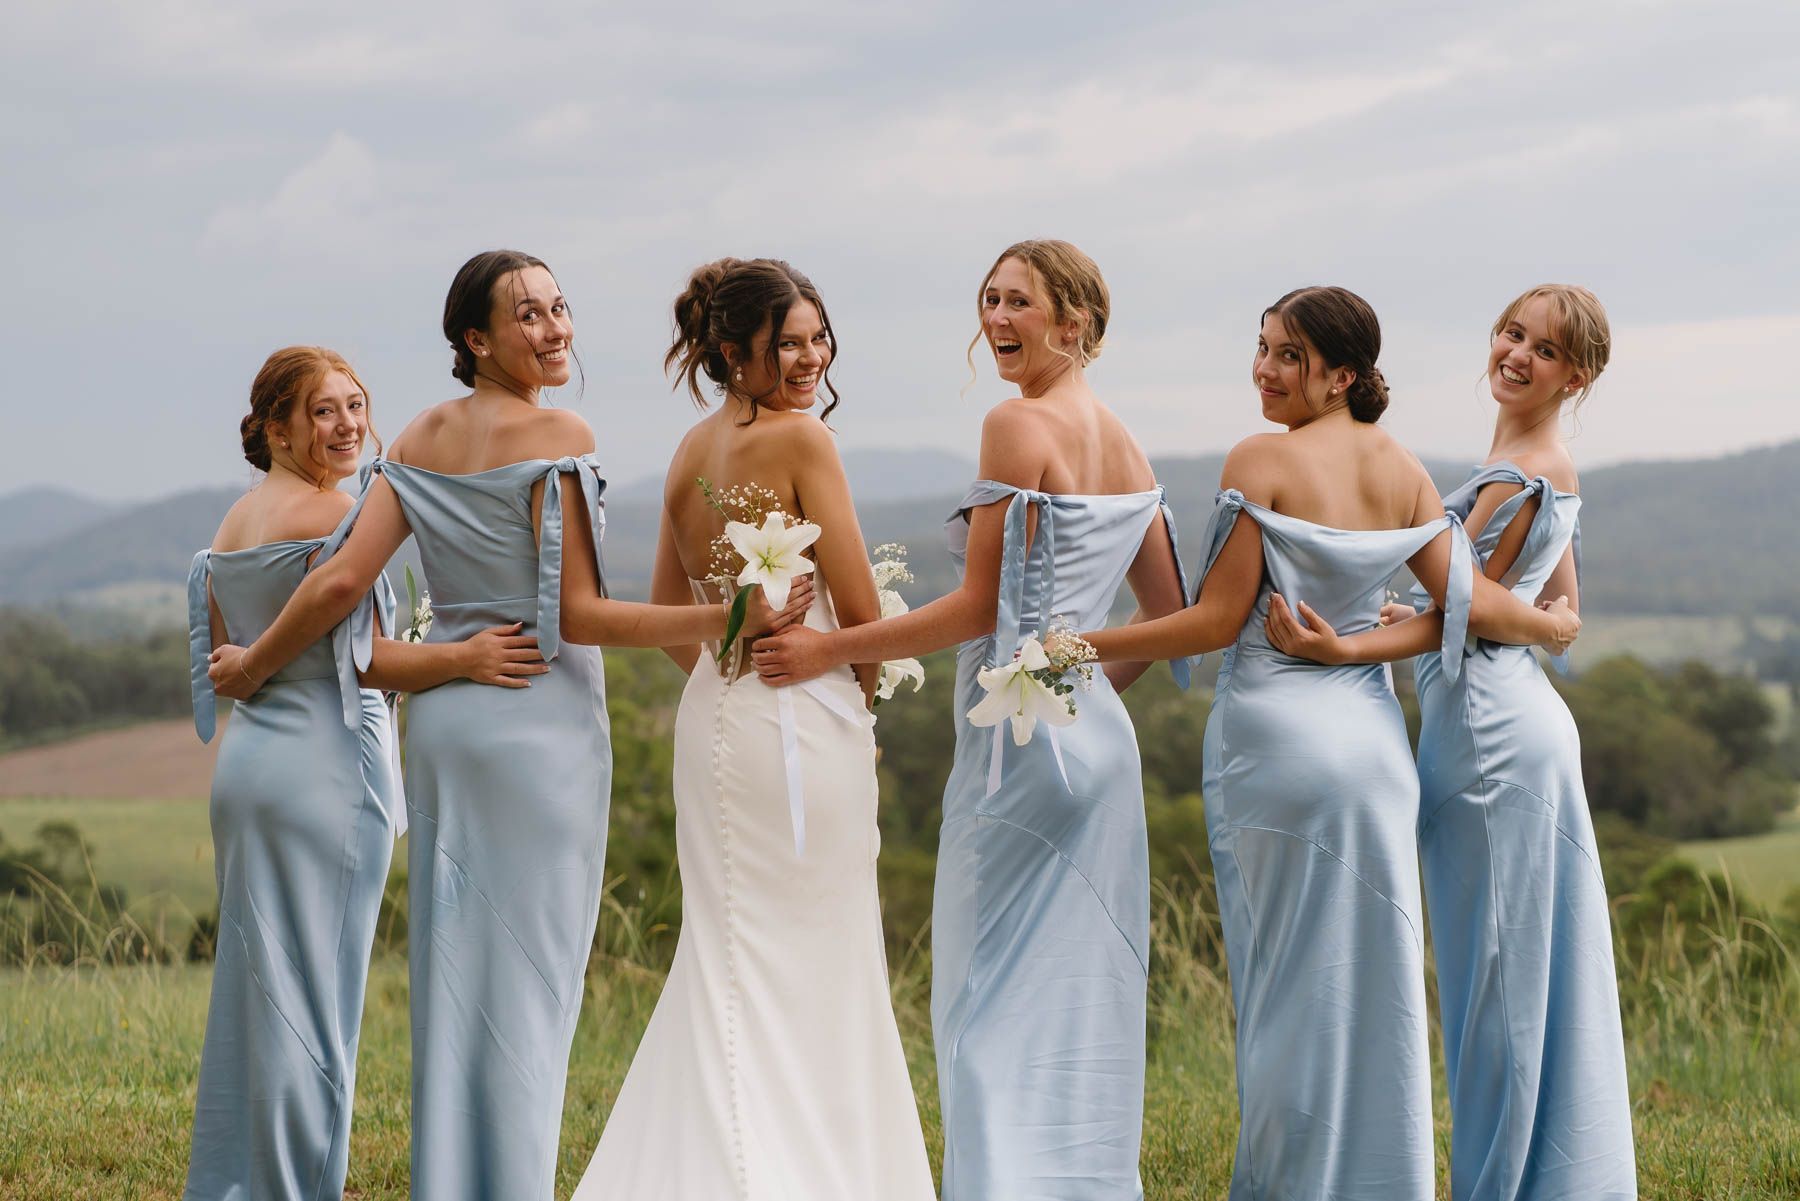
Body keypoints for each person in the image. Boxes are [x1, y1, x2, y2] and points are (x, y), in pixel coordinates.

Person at [206, 253, 807, 1199]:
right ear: (475, 339)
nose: (555, 327)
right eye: (529, 315)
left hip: (446, 733)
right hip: (538, 726)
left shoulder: (415, 437)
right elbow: (580, 616)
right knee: (530, 990)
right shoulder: (559, 432)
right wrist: (730, 614)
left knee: (453, 986)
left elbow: (340, 586)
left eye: (560, 307)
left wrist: (251, 663)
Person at [1076, 286, 1580, 1199]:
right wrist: (1551, 624)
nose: (1264, 370)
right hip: (1376, 755)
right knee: (1375, 992)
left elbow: (1213, 621)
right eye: (1263, 348)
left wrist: (1080, 643)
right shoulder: (1403, 468)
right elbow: (1463, 604)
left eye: (1288, 356)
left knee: (1283, 989)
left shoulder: (1259, 457)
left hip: (1276, 745)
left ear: (1342, 375)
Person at [753, 240, 1190, 1200]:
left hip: (1015, 755)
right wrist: (1079, 691)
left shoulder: (1015, 422)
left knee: (981, 996)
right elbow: (1166, 615)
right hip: (1097, 751)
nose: (996, 318)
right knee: (1078, 996)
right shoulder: (1126, 443)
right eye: (990, 299)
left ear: (1074, 321)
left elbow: (978, 609)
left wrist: (832, 649)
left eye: (1019, 302)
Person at [572, 257, 934, 1199]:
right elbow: (860, 612)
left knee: (728, 953)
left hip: (717, 720)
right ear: (735, 353)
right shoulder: (805, 440)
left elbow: (669, 618)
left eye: (819, 339)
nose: (811, 359)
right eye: (788, 344)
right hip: (799, 723)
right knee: (817, 951)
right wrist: (847, 703)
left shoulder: (689, 451)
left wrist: (729, 674)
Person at [1264, 284, 1636, 1199]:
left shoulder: (1518, 473)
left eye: (1544, 350)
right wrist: (1504, 621)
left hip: (1489, 738)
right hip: (1518, 718)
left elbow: (1465, 614)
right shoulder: (1541, 461)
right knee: (1524, 972)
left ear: (1575, 377)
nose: (1517, 354)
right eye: (1512, 333)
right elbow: (1553, 608)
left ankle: (1501, 1184)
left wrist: (1346, 647)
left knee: (1497, 986)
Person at [183, 346, 542, 1200]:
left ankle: (241, 1182)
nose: (348, 425)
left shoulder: (235, 521)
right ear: (277, 428)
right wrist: (464, 656)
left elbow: (229, 655)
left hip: (249, 772)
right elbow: (366, 661)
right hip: (326, 774)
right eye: (324, 410)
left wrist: (257, 668)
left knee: (258, 995)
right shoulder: (331, 513)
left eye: (355, 405)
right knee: (315, 1000)